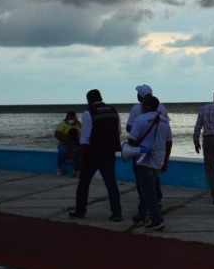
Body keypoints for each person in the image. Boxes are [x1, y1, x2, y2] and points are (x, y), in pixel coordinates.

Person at [69, 89, 124, 221]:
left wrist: (81, 157)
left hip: (93, 154)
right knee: (111, 183)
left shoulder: (89, 113)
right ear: (101, 97)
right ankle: (116, 213)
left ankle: (80, 211)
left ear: (89, 100)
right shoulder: (113, 111)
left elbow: (85, 137)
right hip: (109, 153)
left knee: (84, 183)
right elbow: (118, 131)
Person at [129, 95, 173, 232]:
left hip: (143, 160)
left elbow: (132, 140)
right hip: (157, 160)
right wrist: (165, 160)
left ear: (147, 106)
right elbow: (169, 142)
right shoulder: (165, 121)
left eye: (143, 105)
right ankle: (140, 216)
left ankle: (157, 219)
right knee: (147, 188)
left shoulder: (140, 119)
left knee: (148, 191)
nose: (141, 107)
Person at [127, 84, 170, 201]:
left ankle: (146, 203)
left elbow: (129, 128)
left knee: (141, 177)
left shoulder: (136, 109)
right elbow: (167, 131)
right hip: (159, 149)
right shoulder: (162, 107)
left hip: (142, 149)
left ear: (140, 97)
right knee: (154, 175)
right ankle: (157, 198)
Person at [54, 111, 81, 176]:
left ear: (75, 118)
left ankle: (76, 170)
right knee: (63, 151)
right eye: (69, 118)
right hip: (64, 142)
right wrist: (67, 140)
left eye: (73, 118)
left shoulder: (79, 124)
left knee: (78, 152)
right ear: (66, 117)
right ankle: (59, 168)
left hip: (77, 143)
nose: (71, 119)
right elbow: (56, 135)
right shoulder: (61, 124)